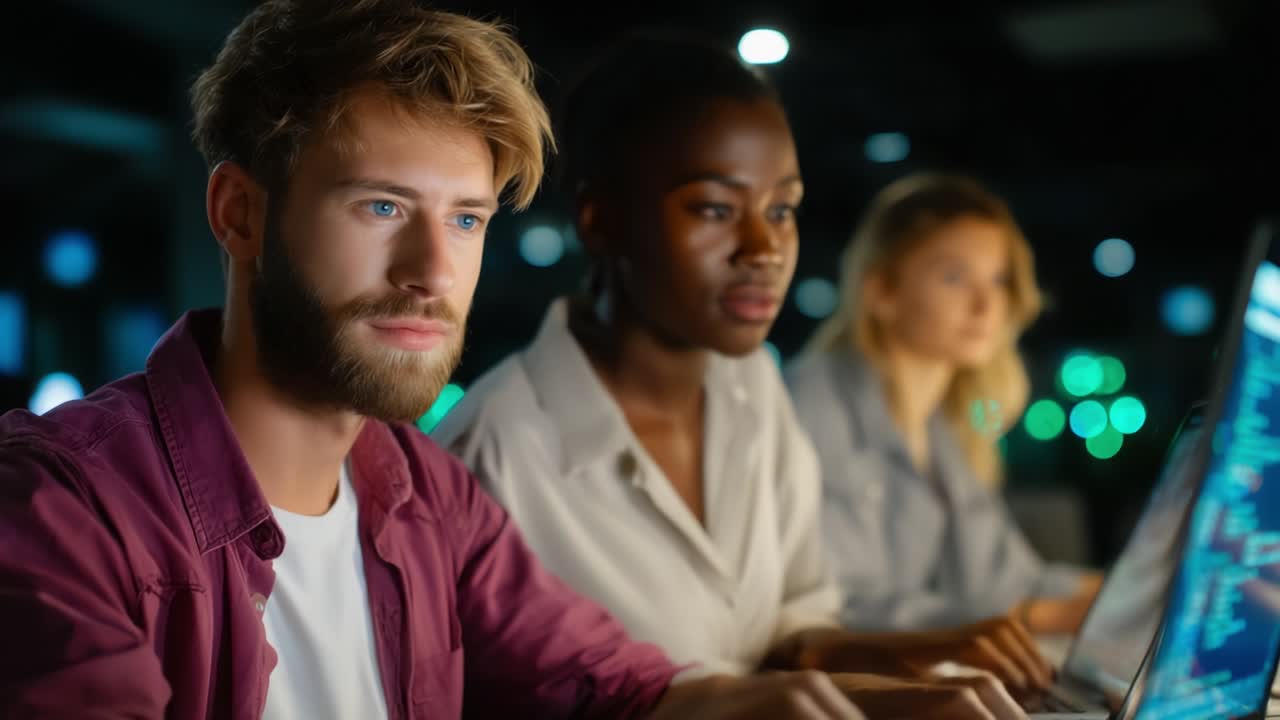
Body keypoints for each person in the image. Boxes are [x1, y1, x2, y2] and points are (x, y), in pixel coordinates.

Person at [0, 2, 876, 718]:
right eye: (382, 207)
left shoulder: (427, 494)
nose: (433, 274)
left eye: (465, 220)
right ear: (239, 213)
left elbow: (617, 689)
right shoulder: (61, 507)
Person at [434, 34, 1052, 720]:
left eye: (781, 210)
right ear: (599, 220)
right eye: (714, 209)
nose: (764, 249)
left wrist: (926, 662)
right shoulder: (488, 458)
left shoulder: (752, 386)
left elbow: (788, 640)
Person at [785, 173, 1102, 636]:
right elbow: (839, 606)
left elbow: (1009, 580)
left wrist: (1132, 589)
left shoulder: (944, 430)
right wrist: (1036, 617)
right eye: (954, 277)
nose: (985, 304)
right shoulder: (814, 401)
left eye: (998, 279)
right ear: (881, 291)